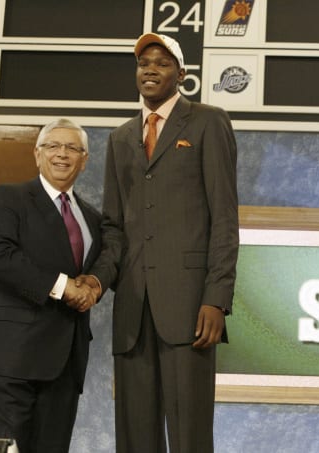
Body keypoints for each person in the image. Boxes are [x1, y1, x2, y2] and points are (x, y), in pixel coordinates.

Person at [79, 33, 239, 452]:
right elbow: (114, 228)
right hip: (133, 311)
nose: (150, 69)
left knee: (190, 437)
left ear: (181, 74)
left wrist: (217, 298)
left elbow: (224, 218)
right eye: (143, 63)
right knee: (134, 437)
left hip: (189, 307)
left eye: (162, 63)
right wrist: (97, 281)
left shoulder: (208, 121)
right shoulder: (120, 138)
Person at [0, 118, 102, 453]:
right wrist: (62, 286)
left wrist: (94, 286)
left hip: (65, 365)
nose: (62, 154)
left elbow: (100, 268)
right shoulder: (8, 198)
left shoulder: (92, 218)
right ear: (37, 154)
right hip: (8, 358)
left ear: (84, 160)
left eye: (72, 148)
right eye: (53, 146)